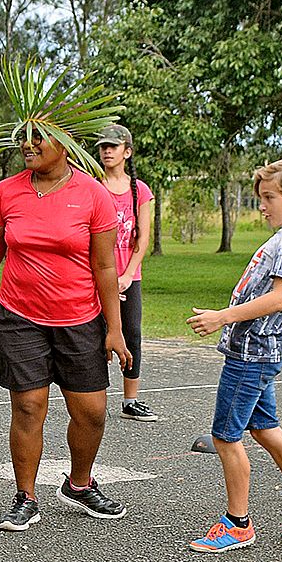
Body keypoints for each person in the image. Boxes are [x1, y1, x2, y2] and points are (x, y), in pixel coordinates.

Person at [0, 130, 132, 532]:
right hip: (20, 317)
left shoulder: (93, 195)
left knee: (92, 413)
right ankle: (25, 496)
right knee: (28, 407)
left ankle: (80, 484)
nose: (28, 145)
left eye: (39, 138)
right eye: (23, 138)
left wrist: (114, 328)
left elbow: (104, 267)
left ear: (65, 143)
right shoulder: (6, 192)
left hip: (80, 320)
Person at [186, 156, 282, 552]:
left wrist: (222, 317)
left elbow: (281, 298)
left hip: (250, 356)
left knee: (225, 436)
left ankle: (238, 524)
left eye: (270, 198)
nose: (263, 206)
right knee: (265, 428)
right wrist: (281, 349)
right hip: (262, 352)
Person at [95, 123, 157, 421]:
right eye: (103, 147)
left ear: (127, 152)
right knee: (94, 335)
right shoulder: (93, 186)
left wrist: (128, 274)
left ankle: (130, 400)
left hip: (128, 276)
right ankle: (93, 397)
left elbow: (143, 237)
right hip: (96, 276)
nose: (107, 151)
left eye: (113, 146)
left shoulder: (140, 191)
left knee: (131, 333)